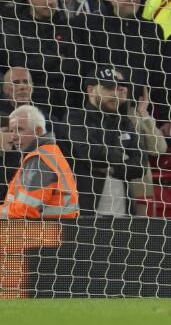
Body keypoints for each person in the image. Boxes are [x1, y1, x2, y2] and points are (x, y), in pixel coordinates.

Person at [58, 67, 164, 216]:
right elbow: (89, 152)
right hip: (84, 212)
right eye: (108, 87)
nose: (115, 93)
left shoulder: (125, 123)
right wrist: (122, 156)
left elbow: (140, 165)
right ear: (91, 90)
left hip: (123, 213)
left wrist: (111, 168)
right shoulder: (74, 118)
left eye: (117, 88)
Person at [0, 104, 78, 219]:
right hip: (51, 231)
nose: (13, 137)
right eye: (11, 131)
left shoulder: (39, 159)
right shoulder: (46, 154)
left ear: (38, 130)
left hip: (41, 233)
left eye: (19, 130)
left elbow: (26, 210)